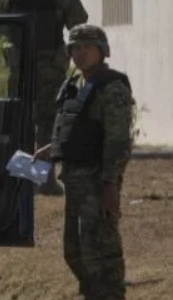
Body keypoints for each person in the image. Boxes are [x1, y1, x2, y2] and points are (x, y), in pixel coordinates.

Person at [35, 25, 133, 300]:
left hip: (97, 181)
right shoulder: (75, 84)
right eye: (74, 48)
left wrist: (111, 183)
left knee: (101, 253)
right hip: (74, 181)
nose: (79, 53)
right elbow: (74, 127)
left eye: (85, 47)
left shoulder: (110, 86)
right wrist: (51, 148)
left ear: (100, 50)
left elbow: (117, 140)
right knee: (74, 251)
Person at [0, 0, 88, 195]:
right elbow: (78, 23)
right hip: (50, 66)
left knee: (21, 118)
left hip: (20, 65)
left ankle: (24, 180)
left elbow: (0, 23)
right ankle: (45, 180)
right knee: (50, 120)